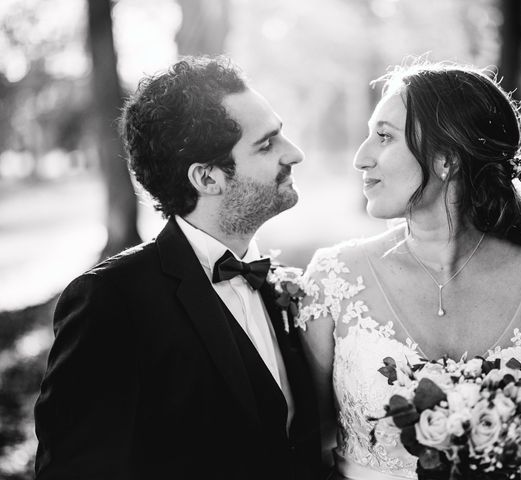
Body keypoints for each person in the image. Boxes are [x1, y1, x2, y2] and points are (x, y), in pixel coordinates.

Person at [298, 59, 521, 479]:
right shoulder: (334, 279)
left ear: (446, 160)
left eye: (384, 137)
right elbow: (304, 448)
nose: (362, 158)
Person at [34, 55, 320, 480]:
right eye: (267, 144)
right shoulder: (111, 301)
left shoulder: (281, 284)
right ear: (206, 178)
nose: (293, 153)